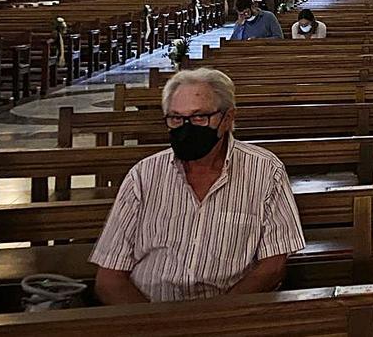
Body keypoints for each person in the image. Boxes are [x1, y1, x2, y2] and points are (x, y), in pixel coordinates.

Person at [89, 68, 305, 303]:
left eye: (199, 117)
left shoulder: (264, 171)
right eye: (175, 118)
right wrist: (153, 326)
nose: (186, 128)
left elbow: (273, 266)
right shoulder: (143, 175)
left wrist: (218, 318)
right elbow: (109, 276)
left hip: (228, 311)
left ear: (227, 118)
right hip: (150, 308)